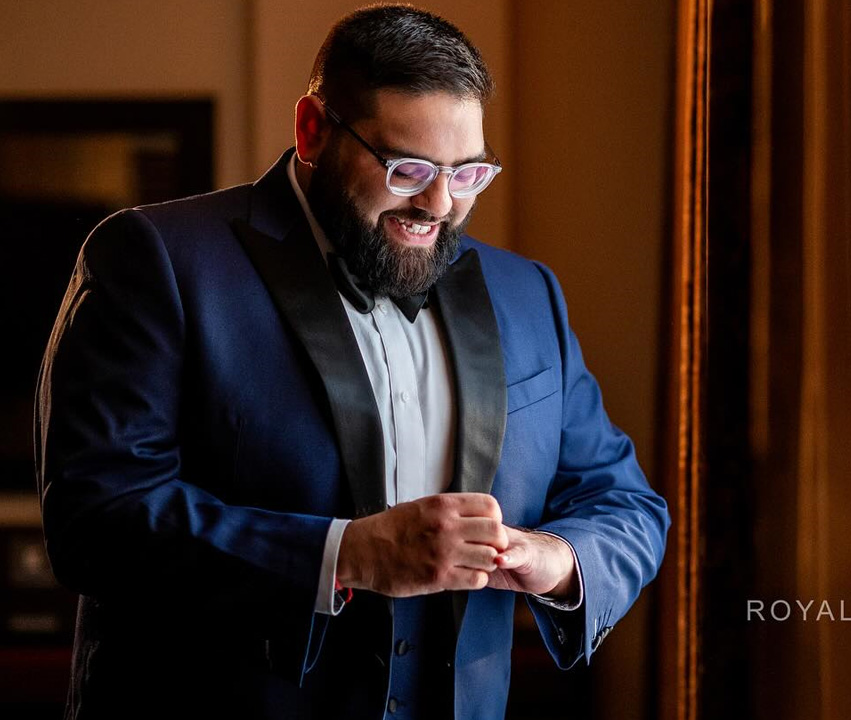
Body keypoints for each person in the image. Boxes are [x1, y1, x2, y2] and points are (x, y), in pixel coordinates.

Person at [34, 5, 669, 719]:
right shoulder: (155, 258)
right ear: (313, 131)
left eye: (468, 175)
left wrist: (555, 559)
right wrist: (347, 554)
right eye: (408, 169)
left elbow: (627, 506)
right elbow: (97, 519)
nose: (439, 206)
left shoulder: (528, 294)